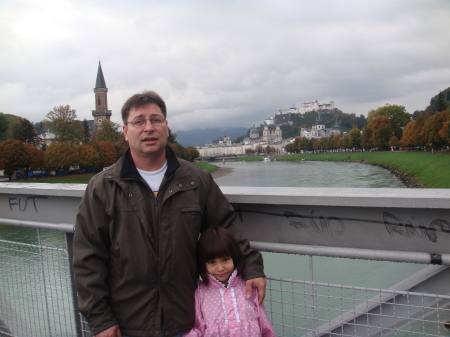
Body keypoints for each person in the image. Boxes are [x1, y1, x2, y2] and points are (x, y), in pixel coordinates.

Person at [72, 90, 266, 337]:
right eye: (139, 121)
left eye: (156, 120)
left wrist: (252, 268)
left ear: (166, 126)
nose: (148, 128)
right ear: (125, 131)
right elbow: (87, 258)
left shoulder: (196, 180)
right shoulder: (103, 187)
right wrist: (100, 320)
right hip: (127, 323)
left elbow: (225, 228)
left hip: (186, 317)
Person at [184, 227, 276, 337]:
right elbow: (199, 327)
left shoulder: (248, 286)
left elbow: (263, 323)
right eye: (212, 262)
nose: (220, 268)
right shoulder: (200, 292)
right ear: (203, 264)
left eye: (225, 260)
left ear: (234, 257)